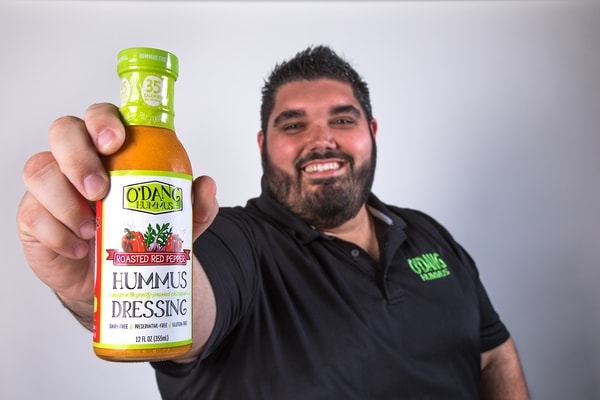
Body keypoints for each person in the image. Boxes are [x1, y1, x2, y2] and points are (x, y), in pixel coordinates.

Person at [17, 45, 528, 399]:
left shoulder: (427, 233)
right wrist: (102, 285)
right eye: (294, 124)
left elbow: (494, 353)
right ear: (263, 144)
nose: (321, 140)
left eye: (343, 119)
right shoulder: (235, 241)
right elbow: (193, 304)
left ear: (371, 132)